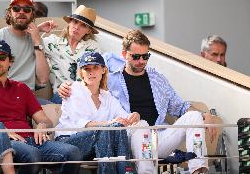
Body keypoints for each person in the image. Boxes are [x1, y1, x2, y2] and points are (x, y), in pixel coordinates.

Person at [59, 30, 217, 174]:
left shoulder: (158, 79)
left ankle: (198, 170)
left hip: (159, 138)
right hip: (130, 138)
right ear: (124, 54)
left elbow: (180, 106)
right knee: (141, 125)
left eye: (145, 56)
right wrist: (65, 85)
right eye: (136, 56)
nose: (141, 61)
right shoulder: (111, 79)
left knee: (195, 116)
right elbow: (87, 78)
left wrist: (204, 115)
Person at [0, 40, 81, 174]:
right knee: (32, 155)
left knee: (73, 153)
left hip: (30, 140)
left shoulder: (21, 88)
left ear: (10, 62)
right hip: (0, 141)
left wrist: (42, 126)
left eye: (2, 57)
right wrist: (2, 132)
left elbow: (45, 120)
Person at [55, 51, 138, 174]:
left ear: (103, 70)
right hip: (67, 141)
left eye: (95, 67)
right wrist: (110, 123)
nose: (90, 72)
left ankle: (126, 171)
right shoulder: (74, 90)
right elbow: (83, 124)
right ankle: (125, 171)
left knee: (116, 128)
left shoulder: (106, 96)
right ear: (81, 72)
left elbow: (123, 117)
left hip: (97, 143)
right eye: (86, 68)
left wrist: (134, 116)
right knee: (108, 129)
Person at [0, 0, 50, 91]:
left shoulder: (36, 41)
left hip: (27, 96)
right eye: (16, 8)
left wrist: (37, 41)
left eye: (26, 9)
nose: (21, 12)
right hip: (1, 94)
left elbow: (43, 79)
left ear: (32, 14)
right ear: (9, 12)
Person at [43, 5, 101, 104]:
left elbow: (97, 75)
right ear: (69, 23)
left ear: (89, 30)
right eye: (75, 22)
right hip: (62, 96)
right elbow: (27, 41)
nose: (77, 27)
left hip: (86, 97)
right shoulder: (53, 43)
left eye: (83, 25)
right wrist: (39, 29)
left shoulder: (93, 47)